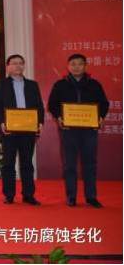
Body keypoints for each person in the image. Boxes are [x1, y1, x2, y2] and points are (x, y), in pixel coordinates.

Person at [47, 53, 109, 208]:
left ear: (85, 66)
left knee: (90, 163)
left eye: (80, 64)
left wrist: (101, 117)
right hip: (69, 130)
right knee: (70, 164)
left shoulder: (94, 84)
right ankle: (71, 196)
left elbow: (104, 103)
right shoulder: (60, 84)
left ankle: (91, 197)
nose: (76, 67)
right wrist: (59, 117)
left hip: (89, 130)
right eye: (73, 64)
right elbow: (52, 104)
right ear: (68, 67)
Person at [0, 54, 44, 206]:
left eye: (21, 63)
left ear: (24, 66)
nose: (18, 66)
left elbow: (39, 106)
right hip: (9, 130)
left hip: (28, 129)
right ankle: (9, 195)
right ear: (8, 67)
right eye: (14, 63)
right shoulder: (0, 85)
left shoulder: (32, 85)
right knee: (8, 163)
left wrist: (39, 122)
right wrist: (1, 122)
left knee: (27, 163)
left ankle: (28, 195)